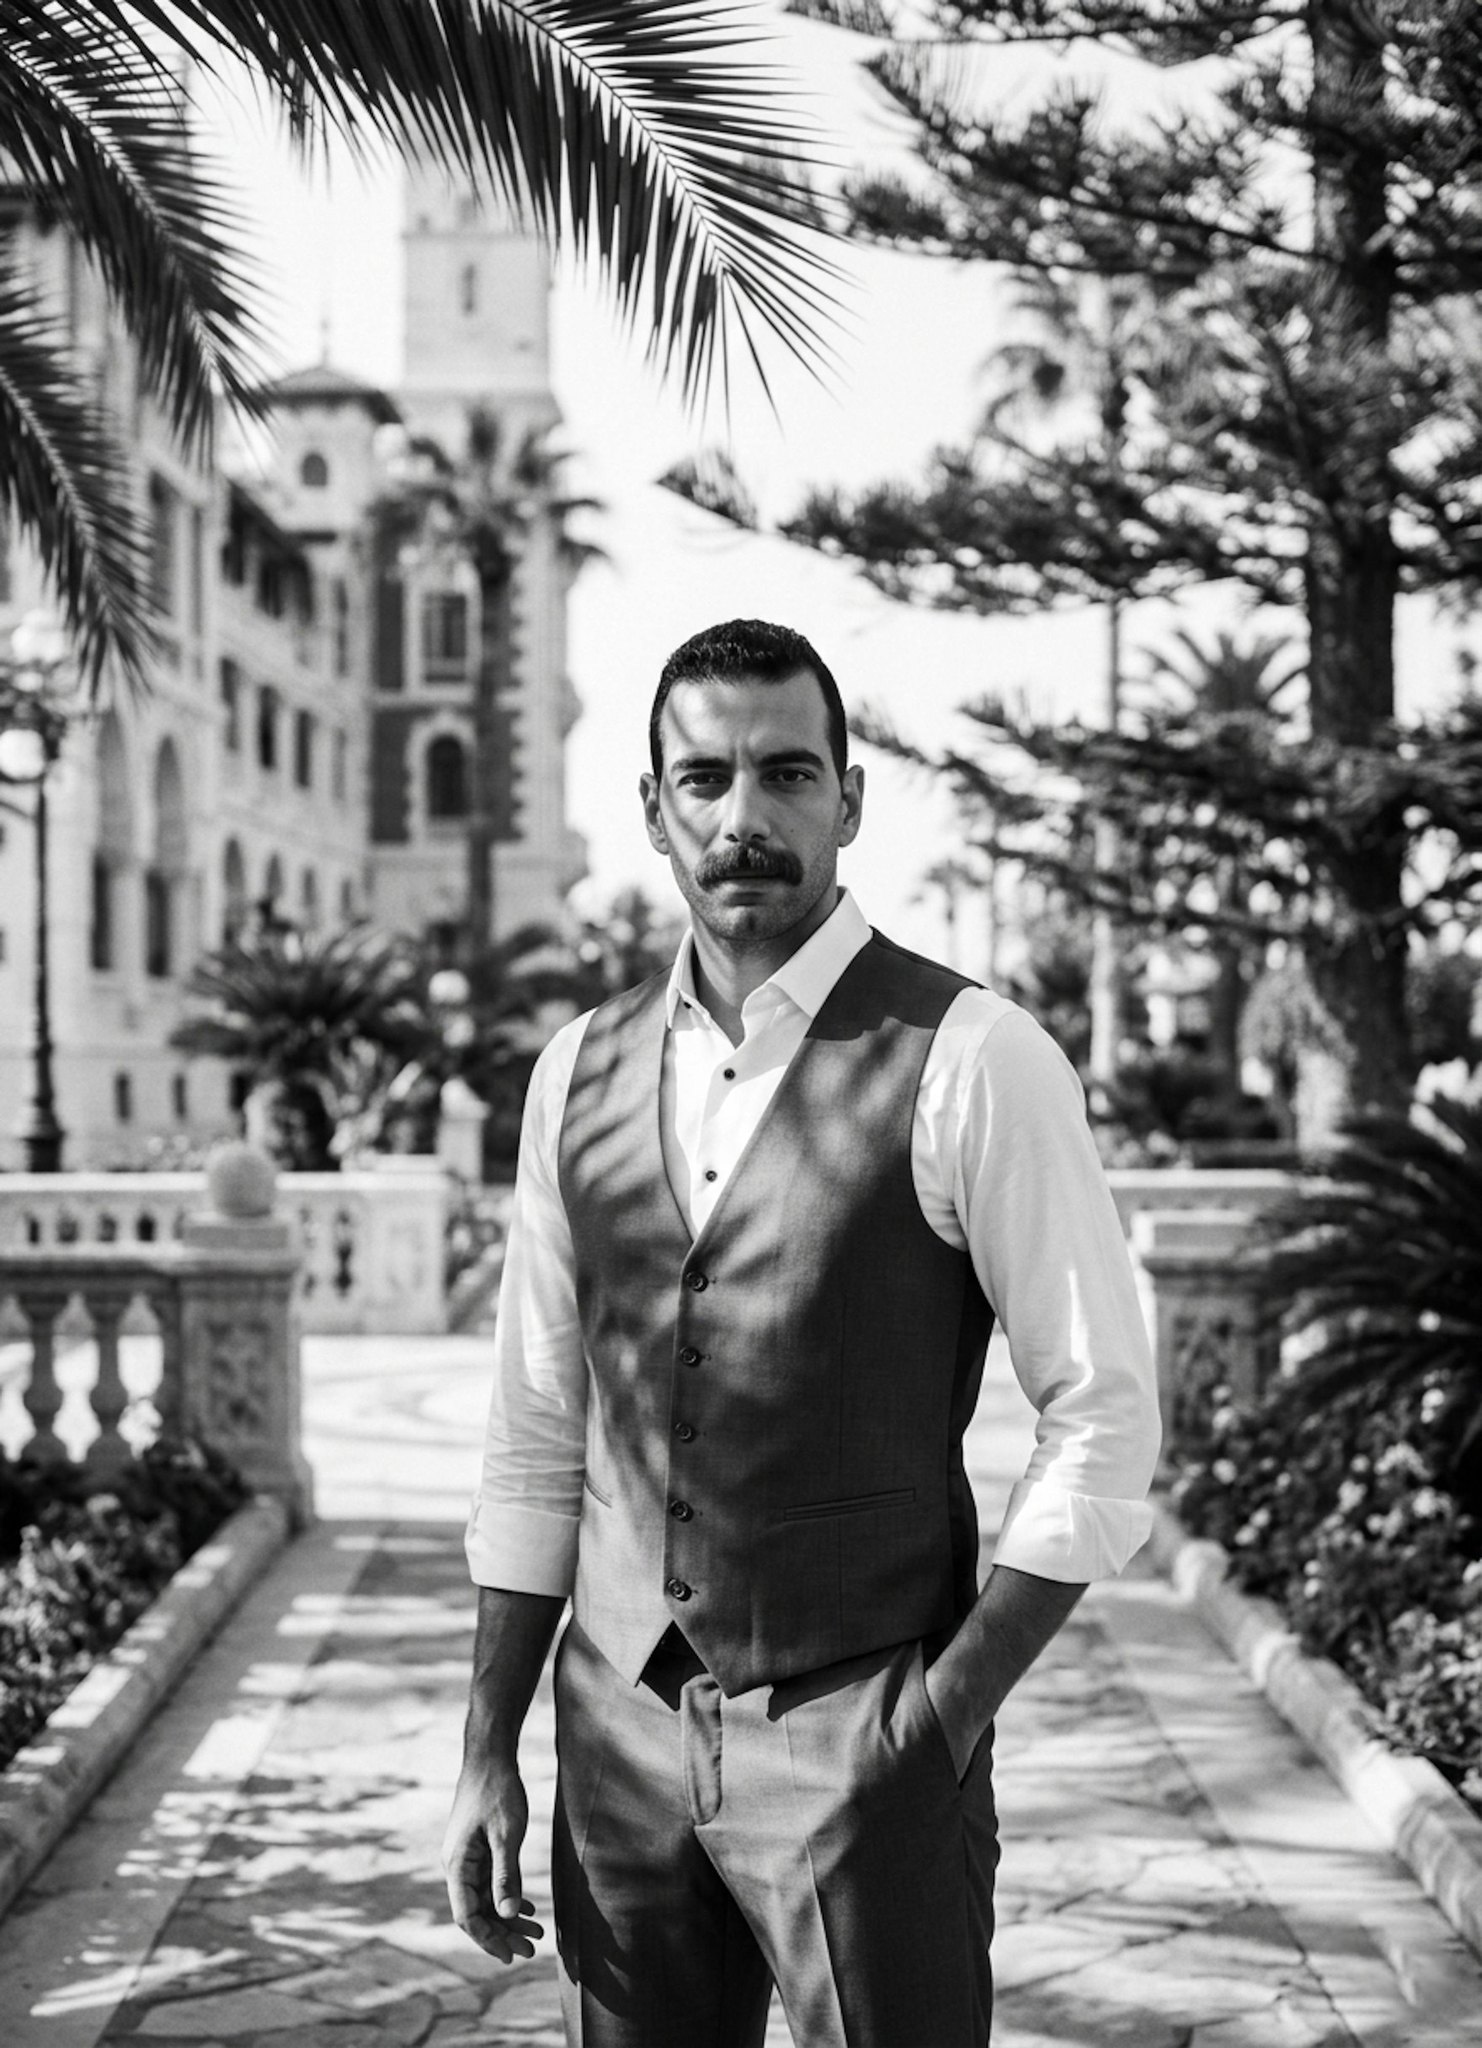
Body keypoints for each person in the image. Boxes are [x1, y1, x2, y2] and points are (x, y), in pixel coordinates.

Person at [443, 619, 1161, 2047]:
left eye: (786, 773)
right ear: (652, 808)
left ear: (848, 798)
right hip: (616, 1738)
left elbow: (1101, 1412)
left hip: (867, 1733)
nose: (743, 818)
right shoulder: (572, 1073)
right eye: (703, 779)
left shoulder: (974, 1056)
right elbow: (538, 1430)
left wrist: (939, 1723)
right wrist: (487, 1749)